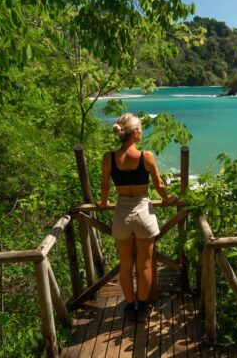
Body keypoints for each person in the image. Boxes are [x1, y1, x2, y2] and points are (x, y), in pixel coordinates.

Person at [96, 112, 175, 322]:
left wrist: (103, 202)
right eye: (139, 128)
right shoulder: (145, 156)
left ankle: (129, 306)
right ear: (133, 134)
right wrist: (167, 199)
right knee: (145, 265)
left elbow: (105, 186)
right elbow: (159, 185)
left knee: (125, 265)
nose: (141, 131)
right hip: (143, 211)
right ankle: (143, 308)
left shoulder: (109, 158)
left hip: (122, 212)